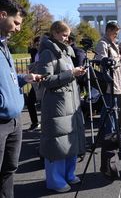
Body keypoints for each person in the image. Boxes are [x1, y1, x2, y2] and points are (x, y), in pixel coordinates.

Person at [0, 0, 43, 198]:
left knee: (9, 172)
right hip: (1, 122)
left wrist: (23, 78)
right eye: (16, 23)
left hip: (15, 121)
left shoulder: (4, 45)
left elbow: (7, 78)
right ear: (2, 15)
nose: (18, 28)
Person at [36, 21, 86, 193]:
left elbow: (63, 76)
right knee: (57, 144)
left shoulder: (64, 51)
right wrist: (71, 73)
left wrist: (74, 73)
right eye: (64, 35)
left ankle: (68, 174)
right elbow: (44, 80)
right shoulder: (48, 52)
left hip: (69, 103)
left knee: (70, 141)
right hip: (57, 105)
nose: (67, 38)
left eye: (67, 35)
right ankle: (56, 180)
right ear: (54, 33)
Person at [94, 22, 121, 178]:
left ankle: (109, 136)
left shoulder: (113, 43)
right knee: (109, 114)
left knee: (111, 112)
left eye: (118, 32)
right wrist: (117, 61)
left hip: (116, 83)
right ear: (109, 30)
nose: (117, 35)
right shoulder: (102, 43)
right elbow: (102, 61)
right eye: (115, 32)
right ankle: (108, 140)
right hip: (109, 85)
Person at [27, 36, 41, 130]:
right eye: (36, 43)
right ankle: (35, 123)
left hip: (44, 81)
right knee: (29, 102)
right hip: (36, 81)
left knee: (45, 104)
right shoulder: (35, 53)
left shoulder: (46, 53)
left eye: (39, 43)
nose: (38, 45)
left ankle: (48, 124)